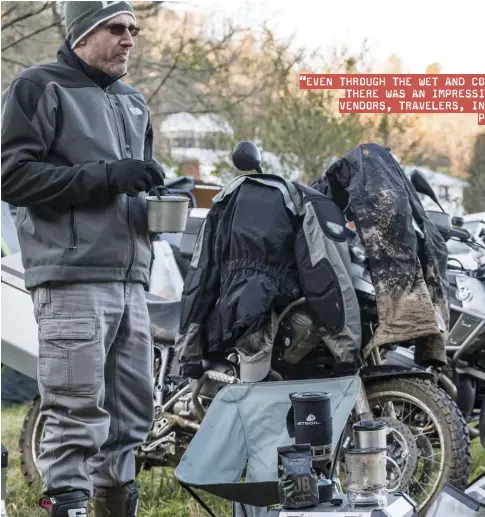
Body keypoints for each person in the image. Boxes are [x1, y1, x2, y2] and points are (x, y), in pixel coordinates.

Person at [1, 2, 165, 516]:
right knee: (76, 413)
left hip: (131, 279)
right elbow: (13, 177)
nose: (128, 39)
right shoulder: (38, 87)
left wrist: (152, 201)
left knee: (132, 419)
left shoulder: (135, 102)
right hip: (71, 278)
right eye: (116, 29)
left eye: (133, 30)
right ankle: (67, 503)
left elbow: (127, 182)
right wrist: (107, 176)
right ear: (83, 34)